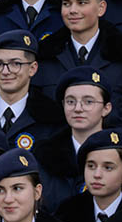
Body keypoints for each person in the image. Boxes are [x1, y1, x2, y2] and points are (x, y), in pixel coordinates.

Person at [35, 0, 122, 138]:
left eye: (82, 3)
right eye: (67, 4)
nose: (73, 10)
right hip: (59, 156)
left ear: (101, 8)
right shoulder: (46, 55)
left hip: (112, 154)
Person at [34, 70, 115, 208]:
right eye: (70, 101)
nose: (78, 109)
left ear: (106, 108)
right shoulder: (43, 157)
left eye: (88, 102)